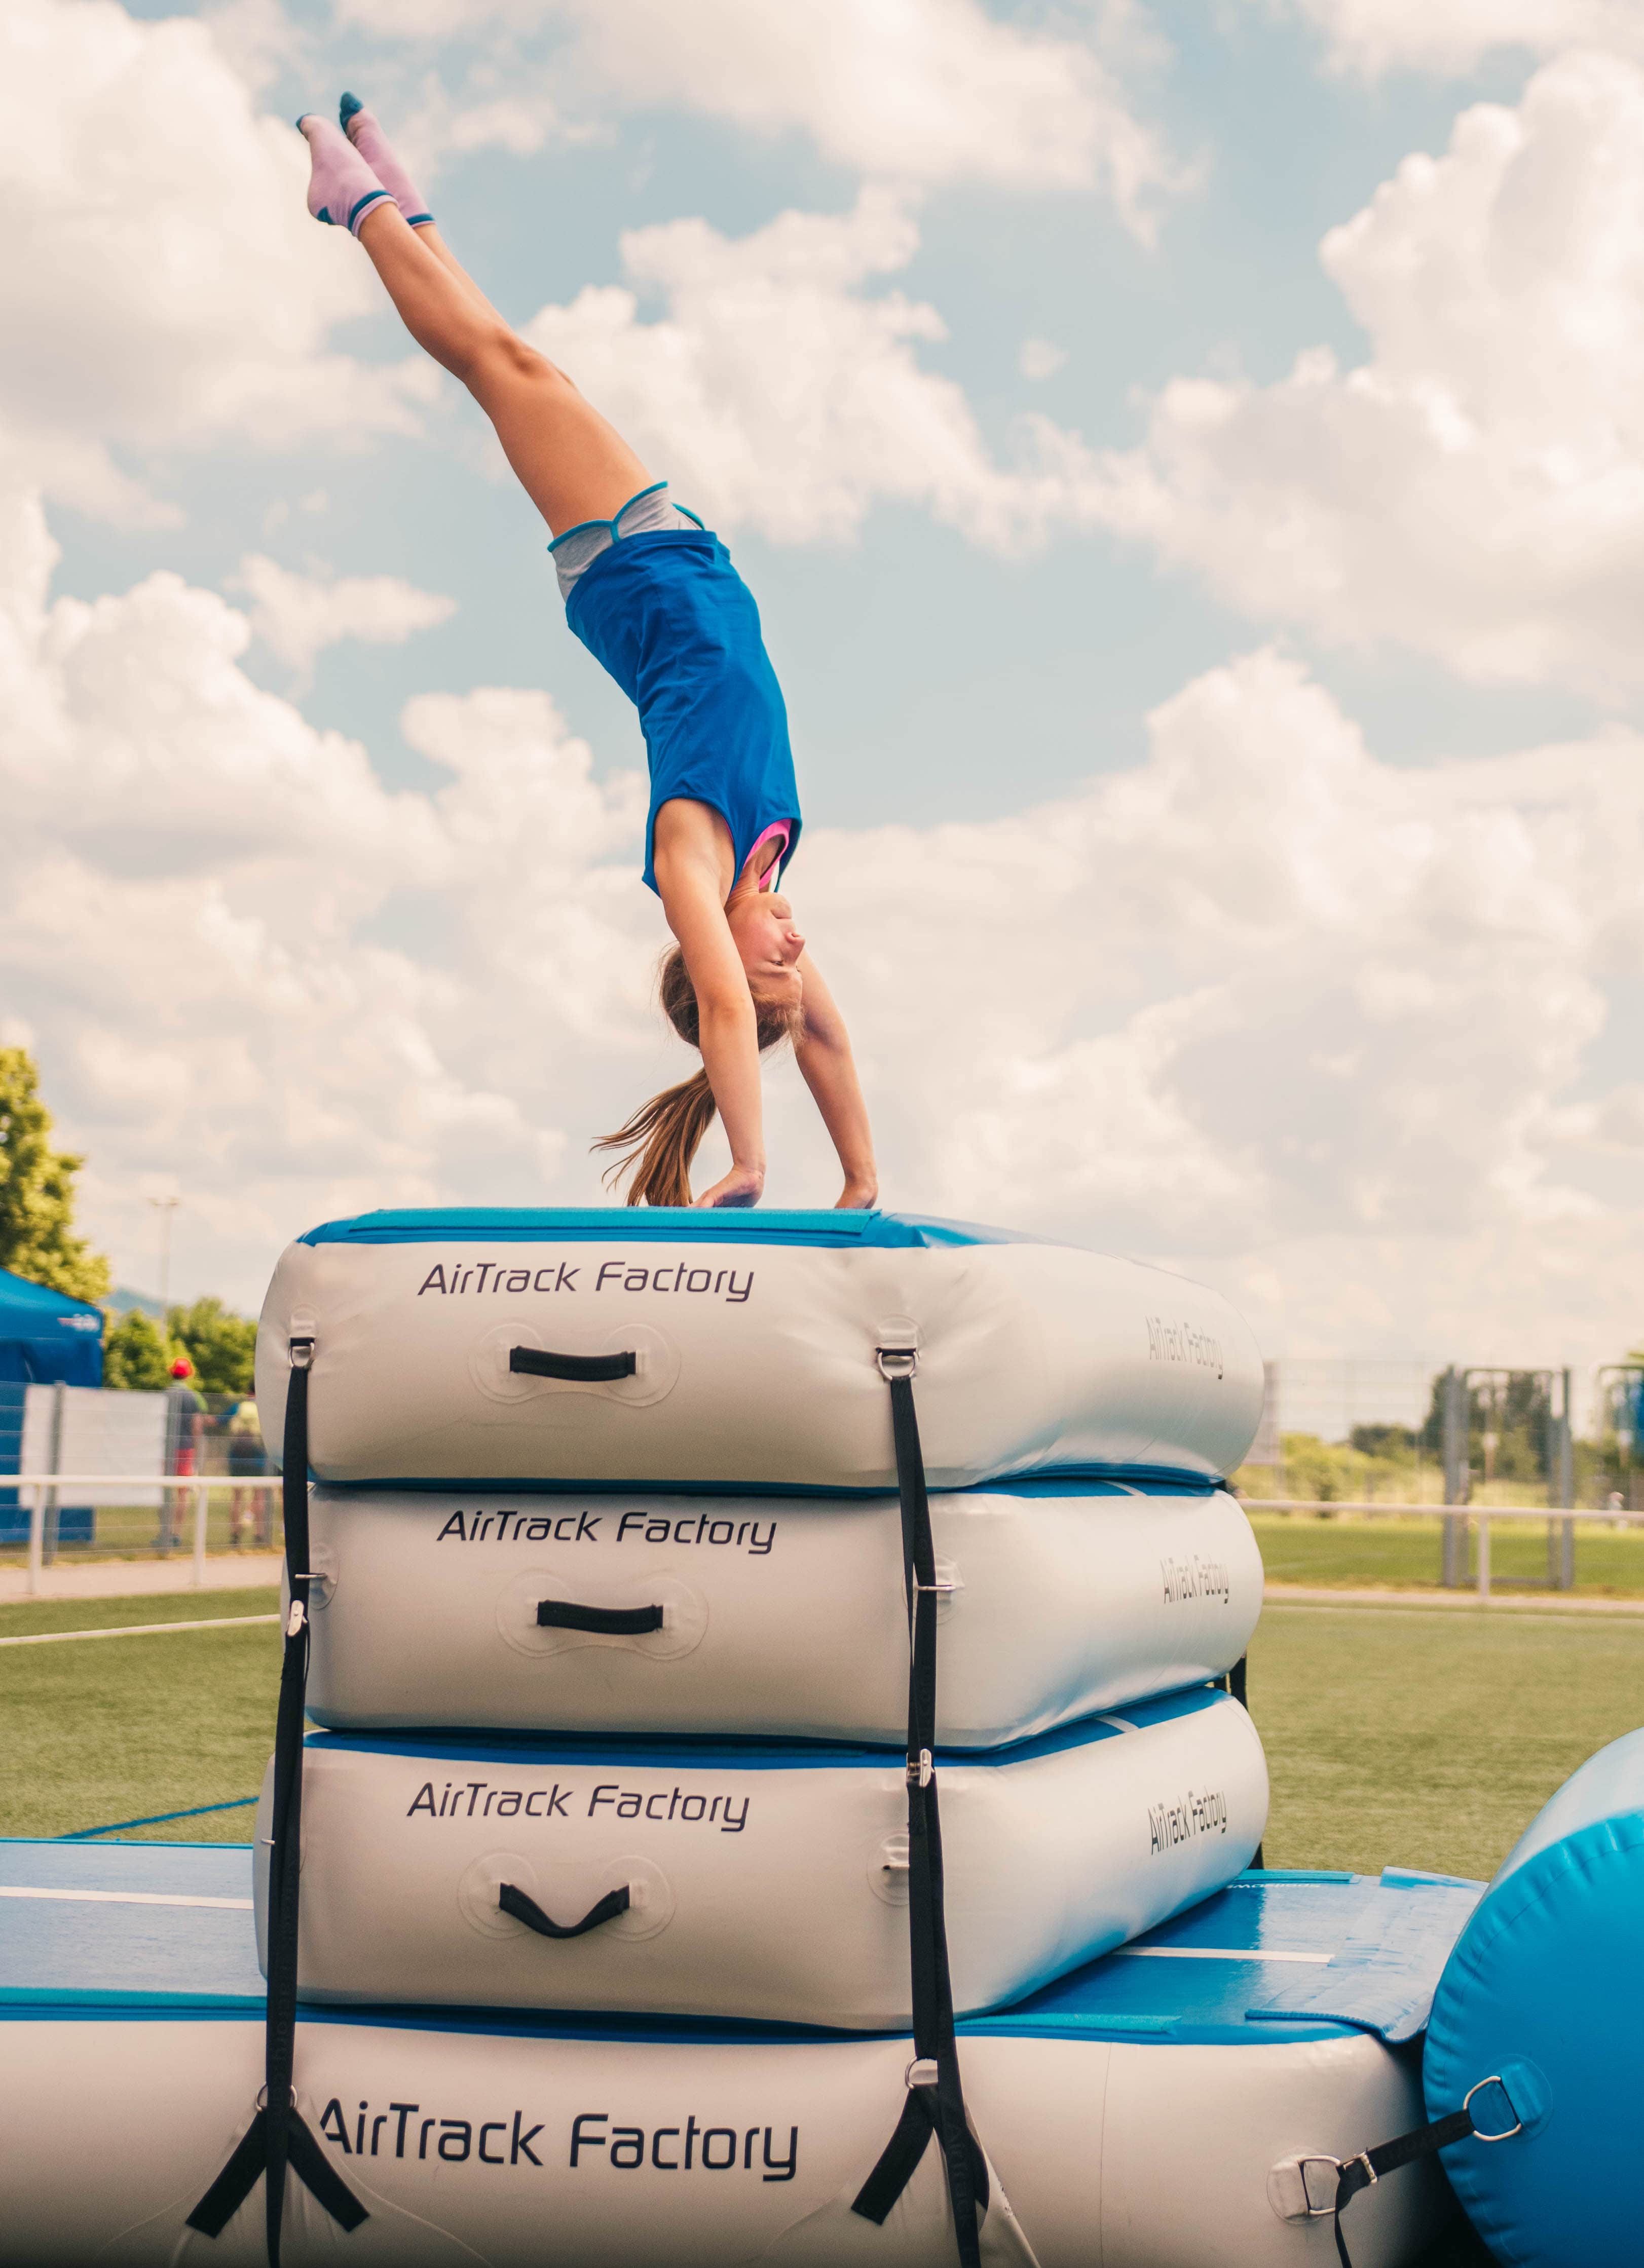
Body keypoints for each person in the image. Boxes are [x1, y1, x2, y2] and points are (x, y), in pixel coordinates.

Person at [296, 102, 878, 1211]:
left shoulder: (693, 868)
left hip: (632, 575)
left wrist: (751, 1165)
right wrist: (859, 1178)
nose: (797, 942)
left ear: (719, 950)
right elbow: (828, 1048)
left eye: (779, 960)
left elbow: (723, 1001)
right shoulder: (763, 870)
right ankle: (399, 209)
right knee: (521, 366)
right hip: (677, 565)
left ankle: (359, 209)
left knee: (499, 366)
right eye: (795, 956)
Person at [161, 1356, 204, 1555]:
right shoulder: (192, 1397)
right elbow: (197, 1426)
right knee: (182, 1493)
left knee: (165, 1492)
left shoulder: (166, 1394)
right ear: (188, 1375)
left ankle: (164, 1531)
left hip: (167, 1448)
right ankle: (177, 1533)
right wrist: (196, 1450)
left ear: (172, 1373)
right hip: (186, 1449)